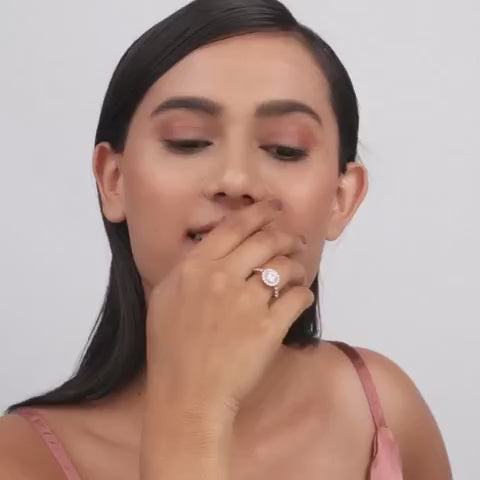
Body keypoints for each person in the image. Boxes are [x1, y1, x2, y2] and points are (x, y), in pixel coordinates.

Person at [0, 0, 452, 478]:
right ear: (113, 181)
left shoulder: (383, 409)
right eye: (188, 141)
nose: (236, 180)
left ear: (342, 199)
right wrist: (191, 414)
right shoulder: (19, 459)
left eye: (285, 149)